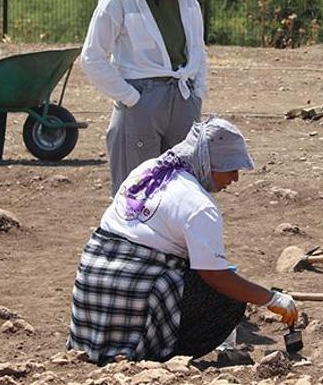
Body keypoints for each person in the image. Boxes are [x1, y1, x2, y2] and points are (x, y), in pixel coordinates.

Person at [67, 117, 298, 364]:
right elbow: (216, 277)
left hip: (90, 291)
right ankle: (160, 355)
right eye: (231, 168)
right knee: (228, 300)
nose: (235, 178)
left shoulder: (149, 169)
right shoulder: (199, 206)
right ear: (209, 164)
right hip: (130, 294)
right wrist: (271, 298)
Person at [81, 0, 208, 195]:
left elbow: (198, 47)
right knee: (134, 194)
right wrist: (131, 98)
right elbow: (92, 56)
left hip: (183, 96)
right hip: (140, 100)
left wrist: (198, 92)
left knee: (180, 193)